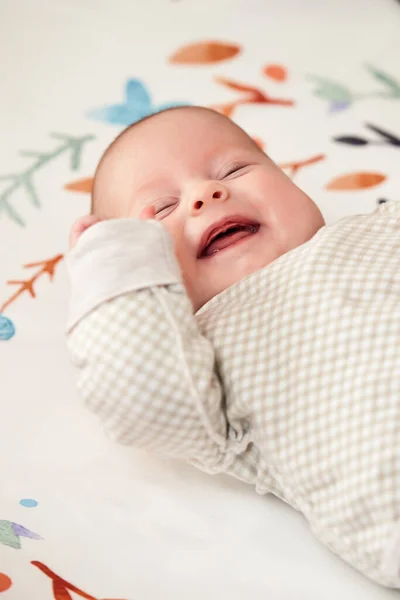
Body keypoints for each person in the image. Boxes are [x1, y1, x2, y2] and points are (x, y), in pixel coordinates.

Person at [67, 106, 400, 588]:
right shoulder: (198, 356)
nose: (207, 193)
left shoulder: (377, 228)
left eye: (234, 170)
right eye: (161, 209)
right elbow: (137, 389)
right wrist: (112, 264)